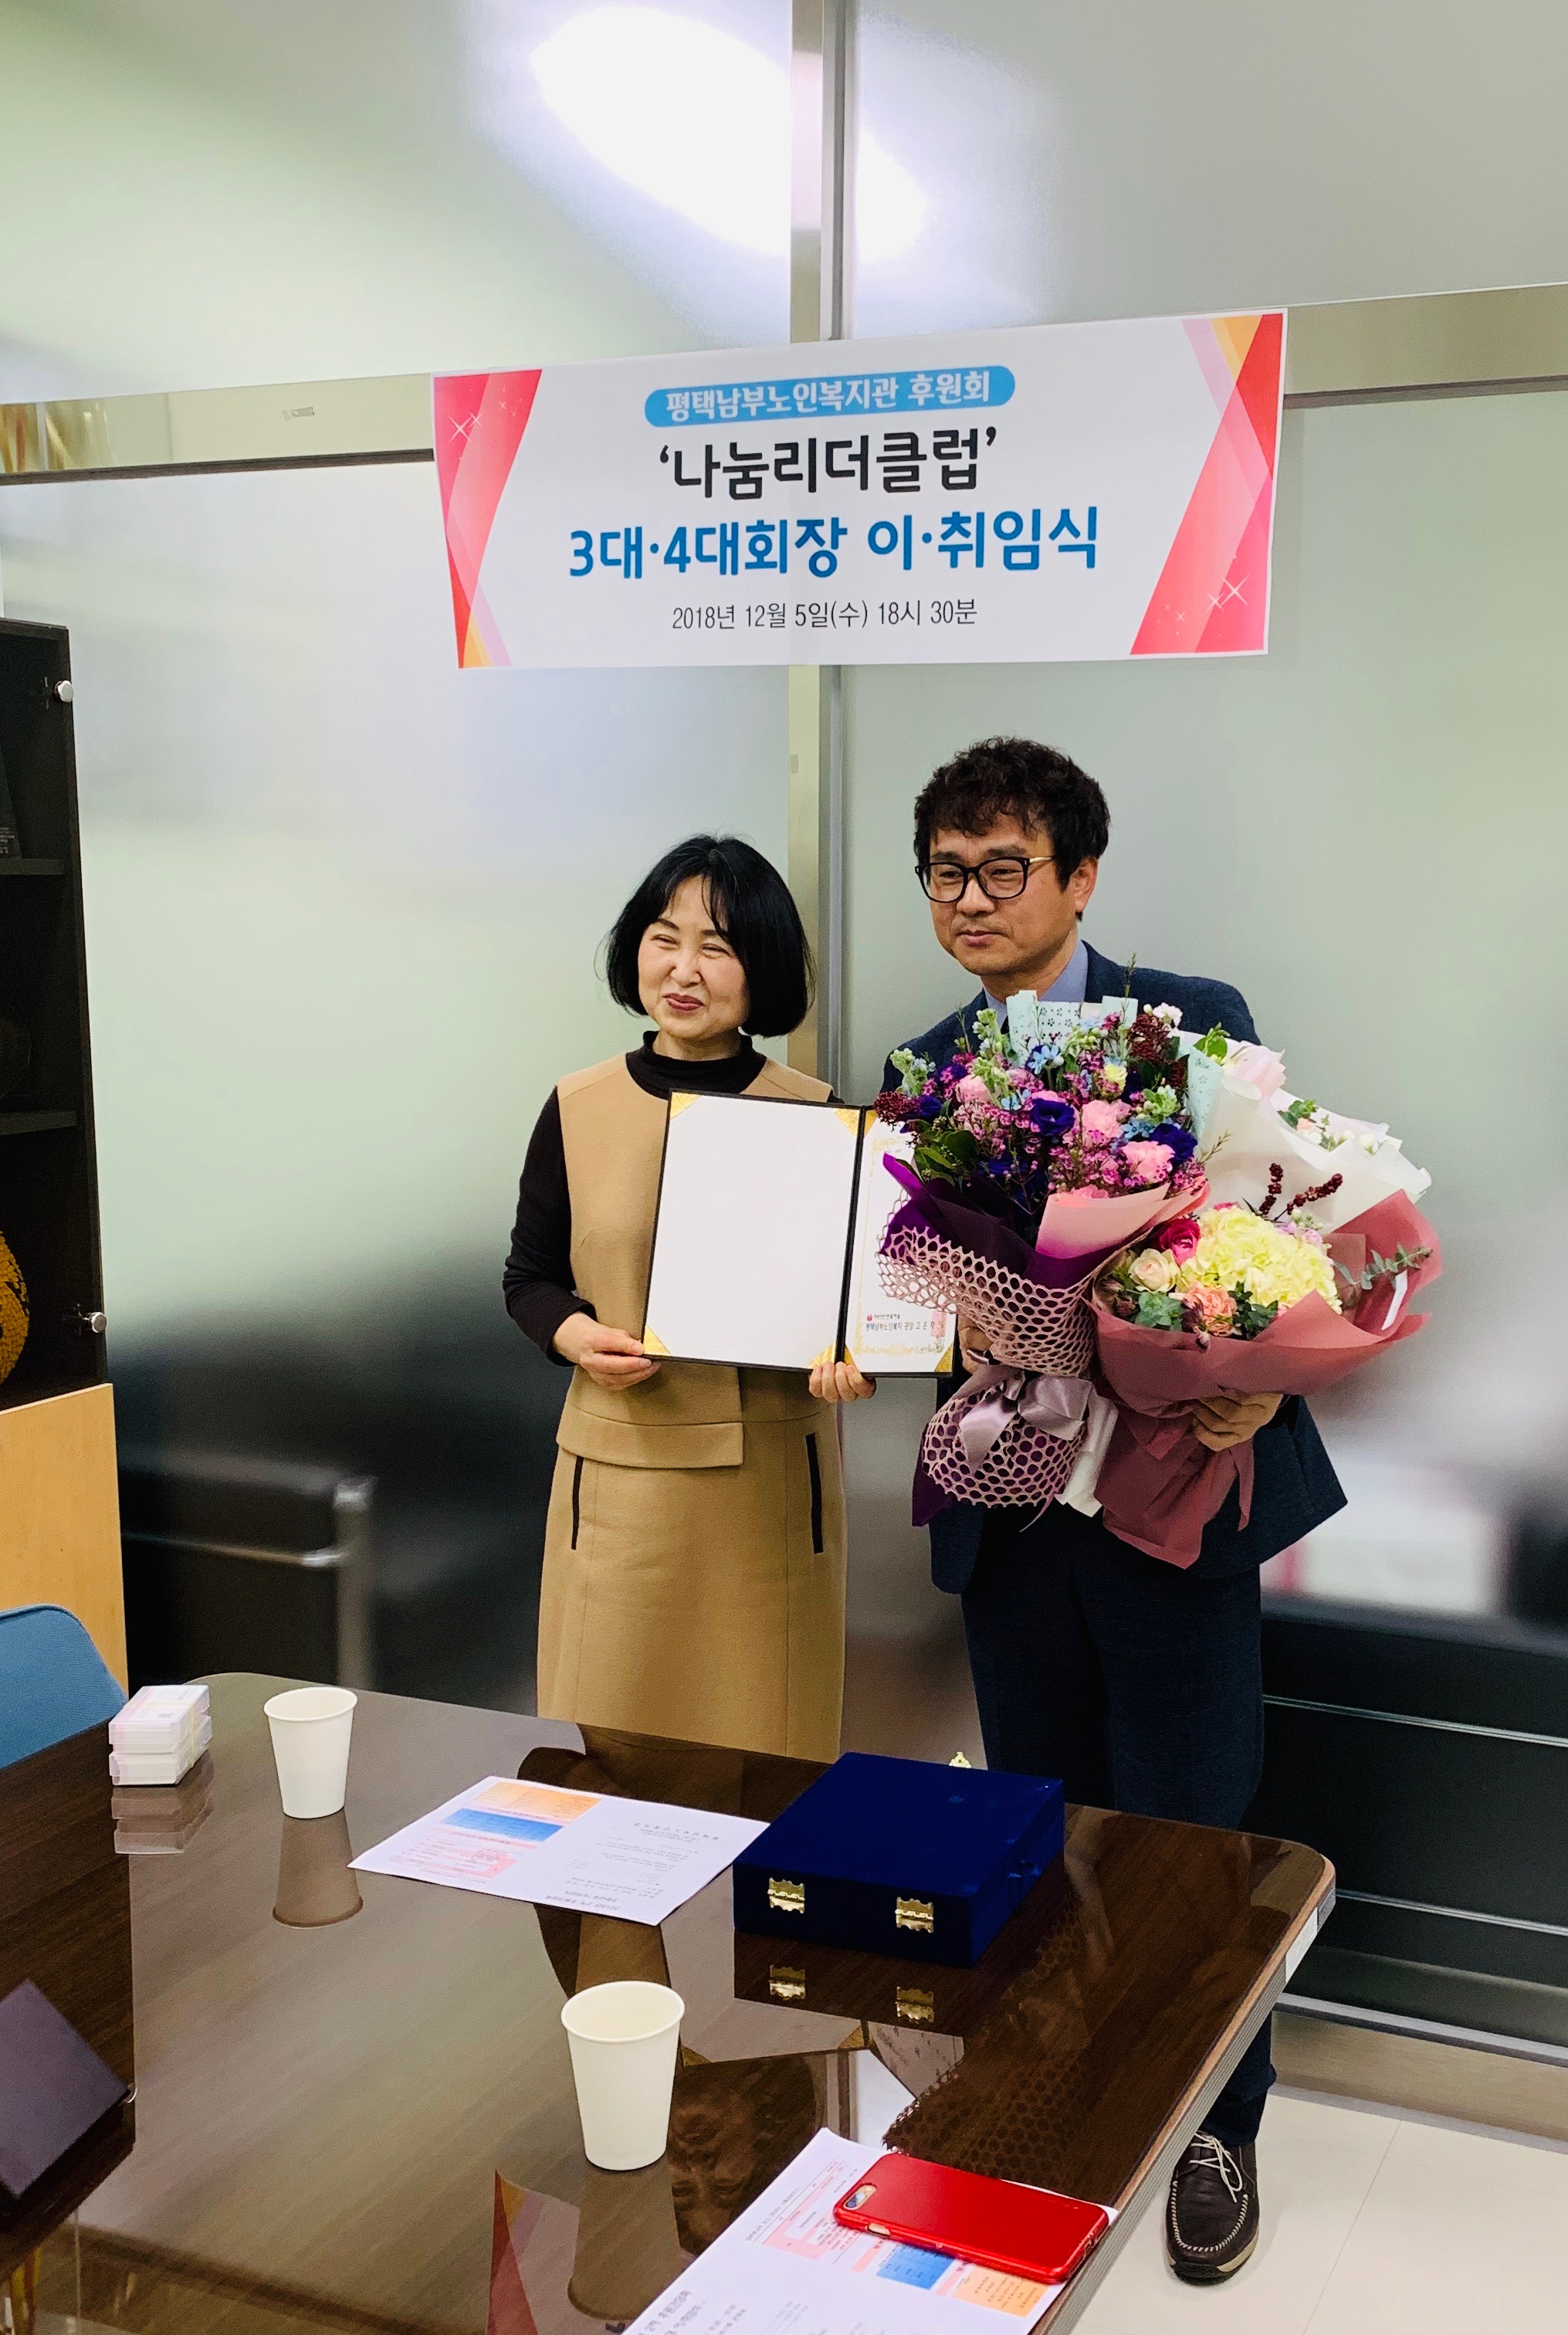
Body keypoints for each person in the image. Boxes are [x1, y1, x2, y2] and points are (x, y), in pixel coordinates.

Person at [884, 737, 1343, 2286]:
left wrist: (1260, 1380)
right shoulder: (924, 1065)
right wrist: (909, 1333)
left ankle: (1217, 2124)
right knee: (1042, 1831)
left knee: (1191, 1839)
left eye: (1003, 867)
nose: (971, 898)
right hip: (1017, 1524)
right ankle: (1066, 2090)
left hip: (1176, 1500)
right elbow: (913, 1284)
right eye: (946, 871)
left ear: (1080, 878)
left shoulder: (1194, 1025)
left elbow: (1281, 1235)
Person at [505, 835, 872, 1761]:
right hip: (620, 1477)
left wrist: (853, 1360)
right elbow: (529, 1278)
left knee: (769, 1770)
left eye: (718, 946)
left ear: (763, 968)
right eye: (665, 938)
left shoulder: (817, 1113)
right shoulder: (578, 1105)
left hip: (770, 1490)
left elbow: (849, 1306)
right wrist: (574, 1335)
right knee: (614, 1764)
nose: (684, 969)